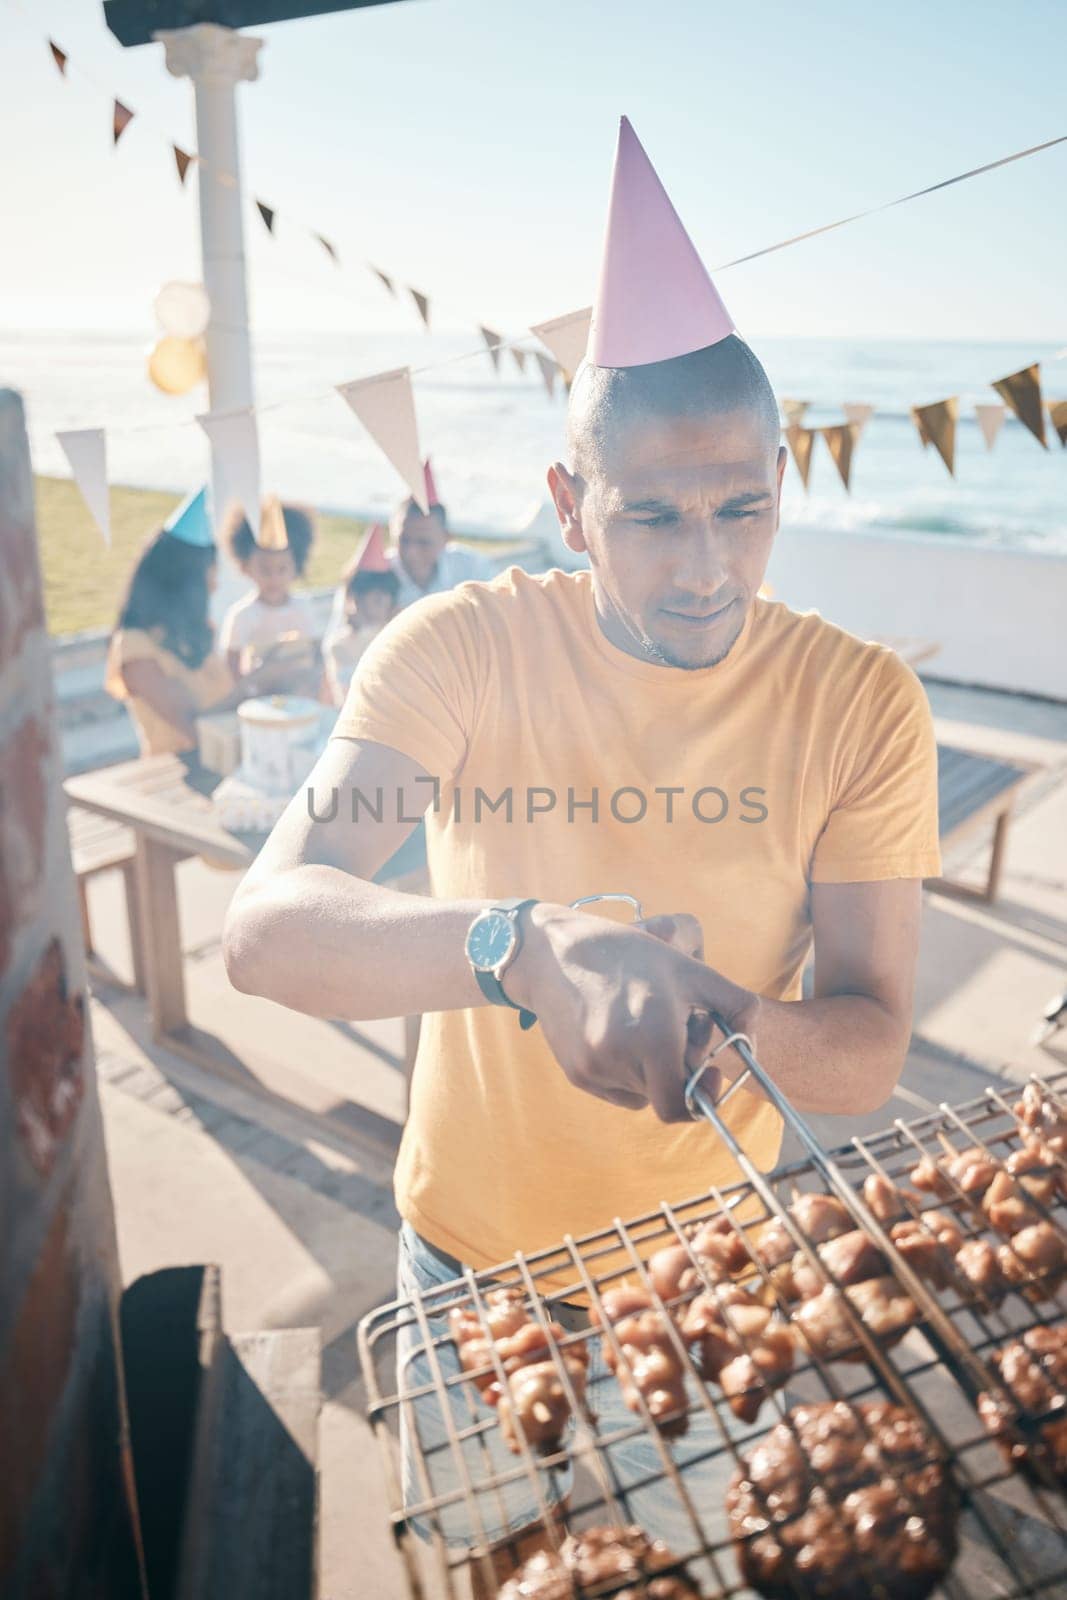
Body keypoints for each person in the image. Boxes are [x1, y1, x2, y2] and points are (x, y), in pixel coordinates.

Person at [222, 118, 940, 1586]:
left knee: (677, 1575)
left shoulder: (858, 701)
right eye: (651, 516)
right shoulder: (462, 650)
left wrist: (712, 1023)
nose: (705, 568)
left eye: (744, 509)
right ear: (566, 508)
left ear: (783, 478)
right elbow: (268, 930)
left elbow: (866, 1050)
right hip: (469, 1266)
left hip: (714, 1278)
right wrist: (515, 951)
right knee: (499, 1576)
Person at [106, 488, 291, 757]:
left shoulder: (195, 631)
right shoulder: (134, 647)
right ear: (184, 582)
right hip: (173, 778)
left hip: (227, 763)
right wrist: (255, 681)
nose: (214, 586)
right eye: (210, 575)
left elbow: (228, 703)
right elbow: (194, 728)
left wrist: (266, 677)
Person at [325, 459, 491, 636]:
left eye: (423, 543)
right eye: (404, 540)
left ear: (446, 539)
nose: (411, 552)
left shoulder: (472, 568)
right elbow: (333, 643)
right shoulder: (371, 577)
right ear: (393, 531)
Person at [218, 496, 320, 693]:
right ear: (246, 567)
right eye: (265, 570)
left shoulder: (302, 607)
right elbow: (231, 664)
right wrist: (246, 692)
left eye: (282, 569)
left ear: (295, 567)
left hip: (297, 694)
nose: (274, 578)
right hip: (257, 695)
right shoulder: (242, 615)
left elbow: (315, 651)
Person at [321, 525, 400, 708]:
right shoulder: (339, 644)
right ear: (354, 597)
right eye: (370, 592)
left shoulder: (397, 635)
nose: (379, 599)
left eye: (385, 592)